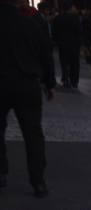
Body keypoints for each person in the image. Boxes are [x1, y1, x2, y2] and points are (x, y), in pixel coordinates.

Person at [0, 0, 55, 198]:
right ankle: (38, 181)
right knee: (33, 134)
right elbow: (45, 53)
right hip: (27, 83)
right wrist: (49, 83)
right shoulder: (30, 24)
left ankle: (1, 171)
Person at [52, 3, 81, 90]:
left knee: (64, 63)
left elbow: (55, 31)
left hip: (63, 44)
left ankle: (66, 79)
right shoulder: (75, 18)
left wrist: (58, 41)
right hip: (74, 45)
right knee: (74, 63)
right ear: (71, 8)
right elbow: (79, 31)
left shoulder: (58, 18)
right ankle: (74, 81)